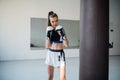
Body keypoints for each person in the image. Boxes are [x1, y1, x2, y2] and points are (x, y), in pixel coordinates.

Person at [45, 11, 69, 80]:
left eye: (56, 21)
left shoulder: (61, 29)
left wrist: (63, 35)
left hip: (60, 55)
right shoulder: (49, 30)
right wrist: (48, 36)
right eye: (52, 21)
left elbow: (66, 45)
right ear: (50, 21)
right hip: (50, 54)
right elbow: (47, 46)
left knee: (62, 77)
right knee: (50, 76)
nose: (55, 23)